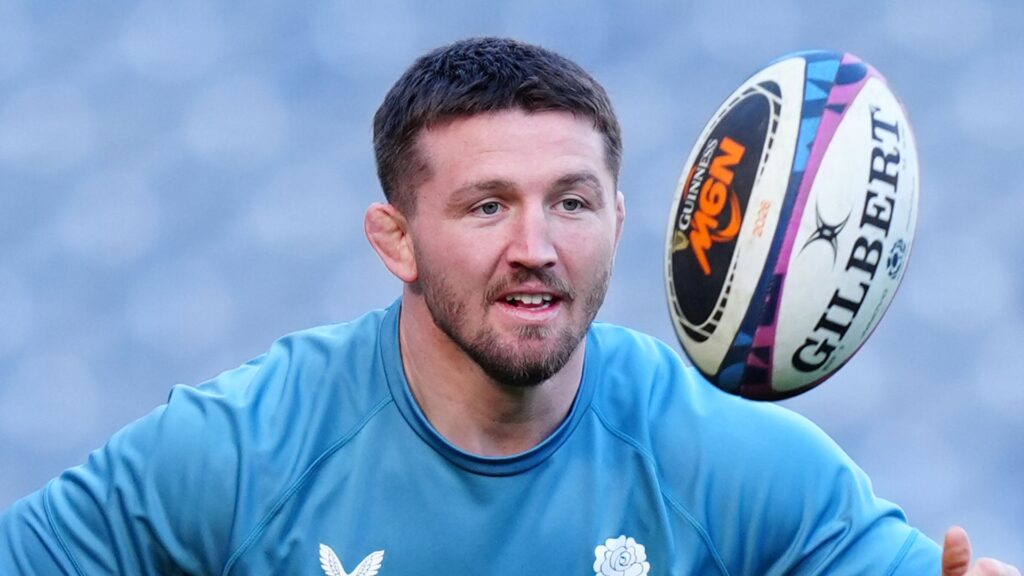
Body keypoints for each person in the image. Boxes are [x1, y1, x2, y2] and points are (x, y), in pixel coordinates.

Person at [0, 37, 1016, 576]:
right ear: (394, 239)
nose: (536, 246)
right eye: (487, 206)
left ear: (620, 220)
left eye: (571, 202)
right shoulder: (239, 454)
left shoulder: (736, 466)